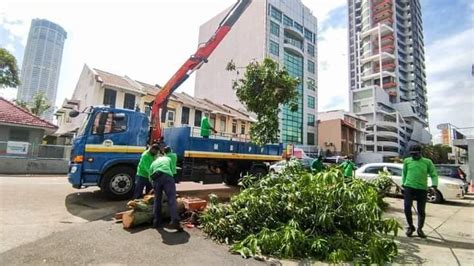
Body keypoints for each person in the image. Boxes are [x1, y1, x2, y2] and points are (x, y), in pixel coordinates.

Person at [402, 145, 438, 238]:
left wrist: (434, 185)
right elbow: (404, 173)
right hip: (409, 187)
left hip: (422, 189)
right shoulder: (407, 161)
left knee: (421, 210)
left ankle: (420, 229)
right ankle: (410, 227)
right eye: (412, 154)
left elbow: (433, 174)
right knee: (407, 208)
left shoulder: (427, 162)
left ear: (420, 153)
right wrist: (403, 184)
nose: (414, 156)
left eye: (416, 154)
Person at [149, 154, 183, 232]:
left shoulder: (153, 163)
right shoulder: (168, 159)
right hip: (167, 177)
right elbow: (172, 170)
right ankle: (175, 220)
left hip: (156, 178)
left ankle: (156, 222)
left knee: (157, 200)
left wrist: (153, 187)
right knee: (171, 199)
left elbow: (150, 177)